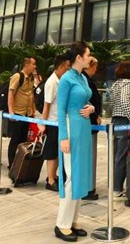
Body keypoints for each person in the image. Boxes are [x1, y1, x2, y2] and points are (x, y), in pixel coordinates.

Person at [54, 41, 95, 242]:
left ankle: (73, 221)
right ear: (78, 57)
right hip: (71, 129)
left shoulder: (82, 78)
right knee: (71, 177)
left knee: (80, 176)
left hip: (84, 128)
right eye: (88, 54)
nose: (90, 58)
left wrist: (91, 109)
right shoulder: (66, 79)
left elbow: (88, 100)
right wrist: (63, 137)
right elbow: (60, 111)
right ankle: (62, 223)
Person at [109, 60, 130, 198]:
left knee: (117, 155)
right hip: (125, 121)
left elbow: (112, 102)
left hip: (115, 120)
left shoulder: (116, 84)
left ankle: (114, 186)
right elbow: (124, 102)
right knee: (122, 156)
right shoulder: (128, 84)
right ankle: (117, 188)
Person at [41, 54, 71, 190]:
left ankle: (53, 176)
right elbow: (46, 105)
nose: (68, 69)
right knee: (52, 153)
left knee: (58, 152)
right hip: (53, 122)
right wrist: (43, 124)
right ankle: (50, 180)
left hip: (61, 122)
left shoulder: (62, 80)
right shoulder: (52, 82)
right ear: (60, 67)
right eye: (66, 67)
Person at [7, 56, 36, 167]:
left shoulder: (32, 77)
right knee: (15, 139)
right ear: (27, 65)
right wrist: (10, 111)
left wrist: (32, 110)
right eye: (33, 64)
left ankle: (20, 161)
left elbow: (31, 94)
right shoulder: (17, 76)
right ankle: (11, 163)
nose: (35, 66)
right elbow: (11, 93)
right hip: (17, 112)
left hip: (27, 113)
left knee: (24, 140)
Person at [82, 56, 102, 200]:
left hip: (91, 121)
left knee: (89, 155)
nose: (96, 69)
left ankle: (88, 186)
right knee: (87, 156)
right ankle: (86, 187)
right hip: (87, 122)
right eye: (94, 66)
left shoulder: (87, 80)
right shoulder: (84, 81)